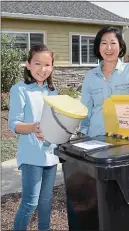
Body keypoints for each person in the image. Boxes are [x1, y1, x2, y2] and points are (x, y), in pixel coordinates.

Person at [8, 44, 59, 230]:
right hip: (31, 156)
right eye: (37, 63)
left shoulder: (53, 91)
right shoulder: (19, 89)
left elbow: (56, 120)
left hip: (51, 155)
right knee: (30, 202)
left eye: (47, 65)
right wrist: (33, 127)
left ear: (52, 67)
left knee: (46, 201)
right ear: (28, 65)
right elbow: (13, 124)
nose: (42, 69)